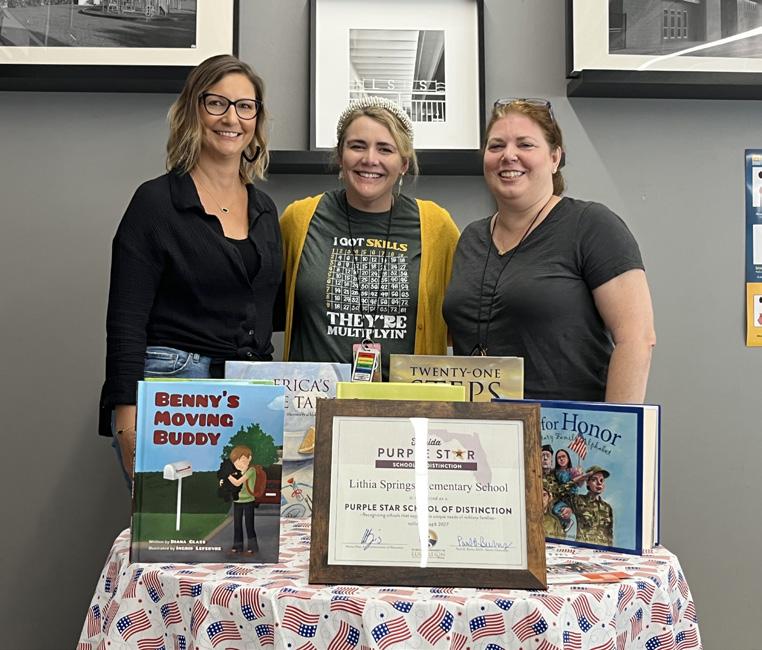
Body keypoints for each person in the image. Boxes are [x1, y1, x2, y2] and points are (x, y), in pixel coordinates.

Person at [99, 54, 282, 480]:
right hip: (173, 397)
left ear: (256, 119)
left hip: (248, 395)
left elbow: (264, 314)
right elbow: (125, 324)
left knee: (242, 518)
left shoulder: (264, 209)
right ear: (192, 111)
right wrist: (127, 426)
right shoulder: (155, 203)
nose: (231, 118)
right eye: (216, 103)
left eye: (245, 106)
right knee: (179, 520)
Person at [443, 99, 656, 403]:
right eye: (496, 145)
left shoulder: (592, 226)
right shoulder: (471, 238)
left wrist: (616, 428)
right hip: (483, 425)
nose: (508, 155)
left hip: (569, 428)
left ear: (555, 158)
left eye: (525, 145)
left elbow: (637, 338)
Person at [280, 96, 459, 378]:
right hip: (314, 400)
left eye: (385, 149)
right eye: (357, 146)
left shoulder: (437, 226)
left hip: (407, 401)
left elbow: (460, 321)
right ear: (340, 156)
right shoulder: (299, 219)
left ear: (403, 163)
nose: (370, 159)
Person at [559, 465, 614, 546]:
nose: (599, 483)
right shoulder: (578, 500)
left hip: (602, 550)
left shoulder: (607, 508)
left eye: (601, 480)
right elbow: (559, 491)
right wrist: (580, 478)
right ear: (587, 482)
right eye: (594, 480)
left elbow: (609, 535)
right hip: (583, 549)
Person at [225, 445, 265, 554]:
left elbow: (238, 483)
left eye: (242, 460)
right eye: (236, 462)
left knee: (249, 525)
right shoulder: (235, 472)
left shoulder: (251, 470)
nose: (239, 464)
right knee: (237, 525)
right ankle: (238, 546)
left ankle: (253, 547)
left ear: (249, 458)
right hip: (237, 501)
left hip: (248, 501)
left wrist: (227, 475)